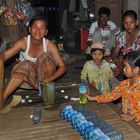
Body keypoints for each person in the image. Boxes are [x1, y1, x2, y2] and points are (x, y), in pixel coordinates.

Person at [0, 16, 66, 110]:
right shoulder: (23, 42)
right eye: (35, 27)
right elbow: (5, 55)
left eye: (42, 27)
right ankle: (3, 97)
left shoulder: (49, 45)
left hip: (44, 80)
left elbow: (62, 67)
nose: (38, 30)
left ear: (46, 32)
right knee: (25, 64)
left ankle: (45, 92)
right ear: (29, 29)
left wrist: (50, 79)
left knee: (47, 57)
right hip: (25, 79)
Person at [85, 51, 140, 124]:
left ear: (136, 70)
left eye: (126, 67)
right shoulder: (125, 84)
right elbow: (111, 96)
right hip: (127, 121)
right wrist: (91, 98)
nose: (123, 69)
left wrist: (134, 116)